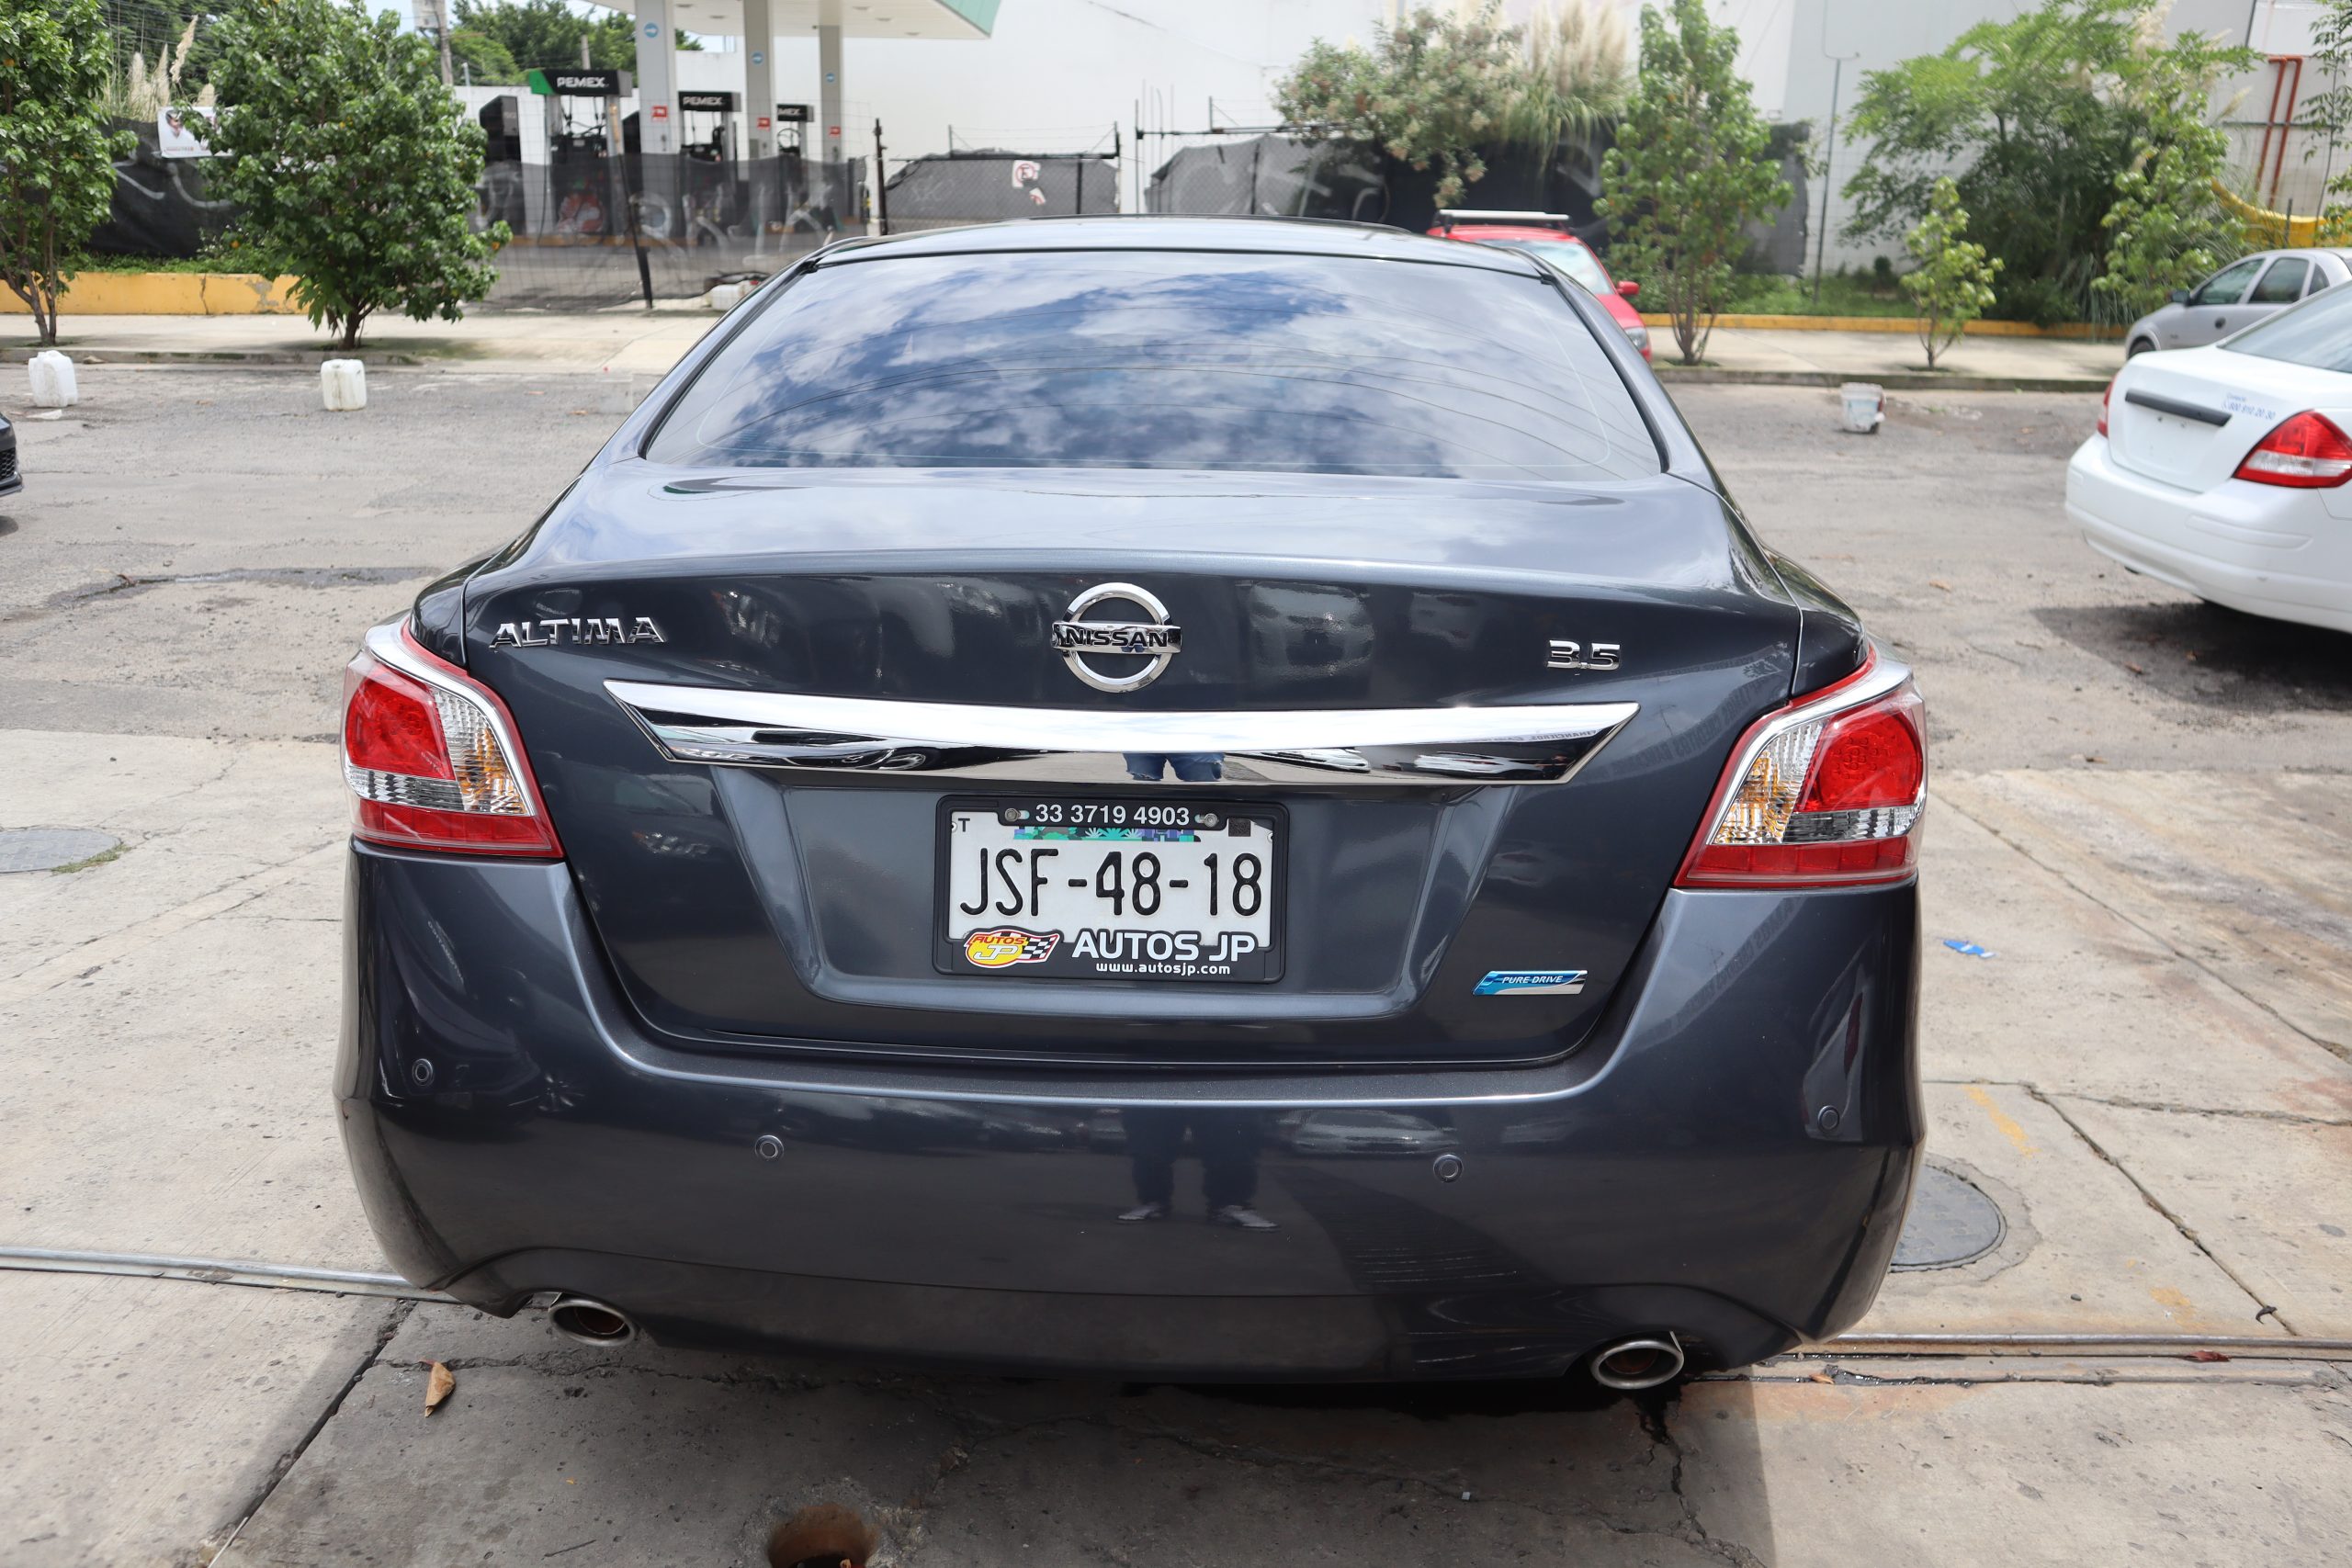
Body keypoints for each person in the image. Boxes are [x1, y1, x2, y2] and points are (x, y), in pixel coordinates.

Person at [1117, 1108, 1276, 1229]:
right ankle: (1152, 1200)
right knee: (1150, 1133)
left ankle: (1232, 1204)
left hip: (1217, 1072)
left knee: (1230, 1132)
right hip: (1160, 1071)